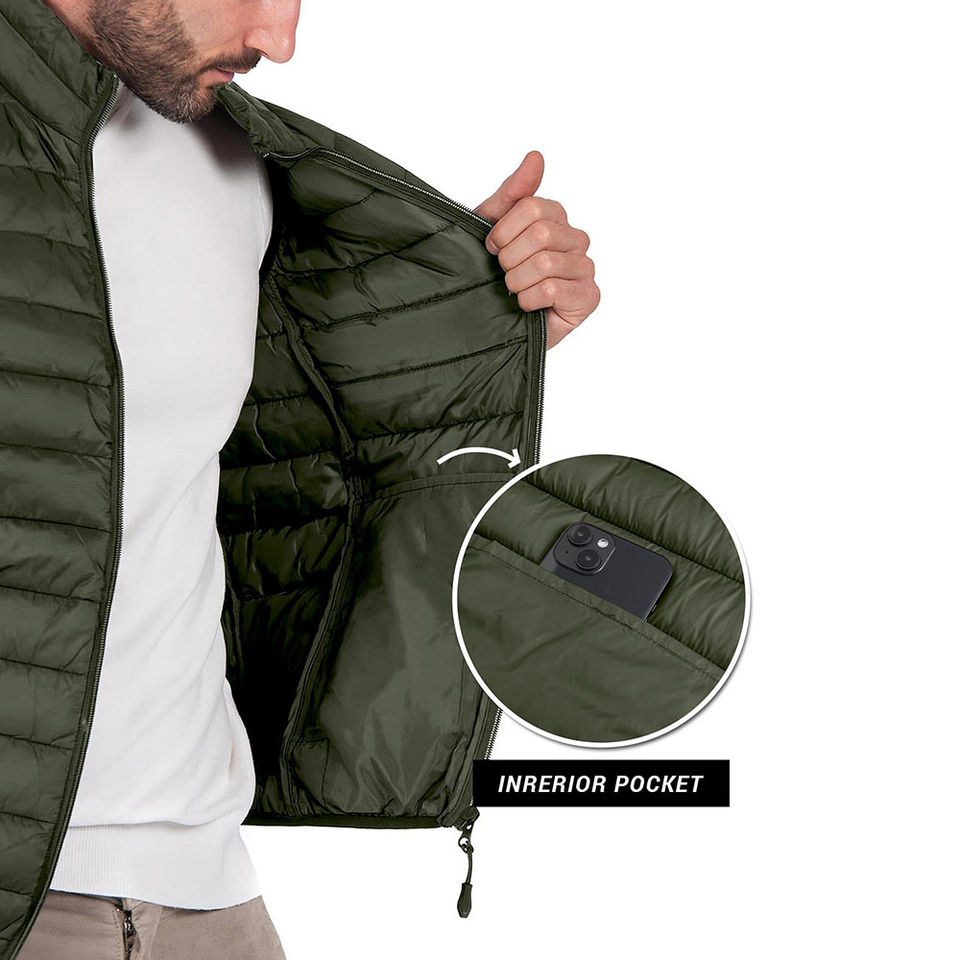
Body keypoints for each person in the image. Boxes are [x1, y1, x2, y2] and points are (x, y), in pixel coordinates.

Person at [2, 1, 600, 958]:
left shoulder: (238, 163)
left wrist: (475, 320)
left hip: (210, 896)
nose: (280, 39)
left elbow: (280, 457)